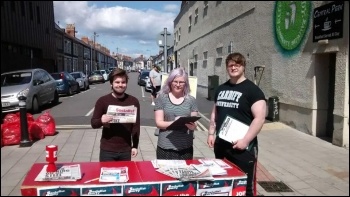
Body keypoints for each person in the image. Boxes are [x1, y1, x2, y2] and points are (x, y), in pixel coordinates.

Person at [207, 52, 266, 196]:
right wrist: (210, 132)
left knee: (245, 187)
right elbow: (215, 112)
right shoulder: (220, 89)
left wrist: (245, 141)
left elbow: (260, 118)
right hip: (221, 145)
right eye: (230, 65)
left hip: (242, 149)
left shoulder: (253, 90)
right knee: (223, 183)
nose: (233, 67)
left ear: (243, 66)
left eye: (237, 64)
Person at [91, 68, 141, 162]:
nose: (120, 85)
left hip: (126, 149)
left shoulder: (133, 101)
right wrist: (101, 120)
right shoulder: (102, 101)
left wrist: (135, 146)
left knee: (125, 176)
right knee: (106, 176)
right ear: (111, 83)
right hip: (107, 150)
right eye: (117, 82)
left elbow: (136, 126)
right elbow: (93, 123)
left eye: (123, 82)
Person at [154, 67, 198, 160]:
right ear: (170, 82)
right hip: (166, 147)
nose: (178, 85)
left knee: (184, 174)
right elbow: (159, 123)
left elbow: (195, 123)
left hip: (186, 147)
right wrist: (176, 122)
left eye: (181, 82)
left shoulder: (191, 100)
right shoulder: (162, 98)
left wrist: (193, 126)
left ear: (185, 84)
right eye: (175, 81)